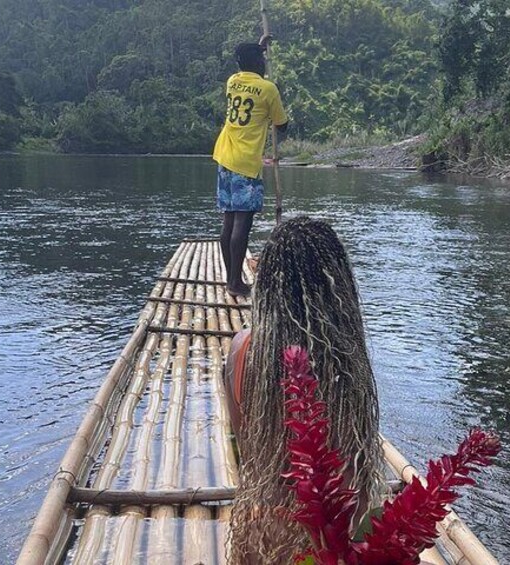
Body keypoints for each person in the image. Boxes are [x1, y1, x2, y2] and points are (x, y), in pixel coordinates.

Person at [223, 216, 385, 563]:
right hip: (339, 539)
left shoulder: (242, 350)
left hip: (267, 536)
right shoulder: (348, 360)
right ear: (338, 286)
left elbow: (245, 451)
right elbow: (354, 468)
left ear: (266, 283)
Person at [213, 36, 289, 298]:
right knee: (241, 224)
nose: (265, 63)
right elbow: (282, 124)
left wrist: (259, 45)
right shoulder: (268, 89)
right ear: (256, 62)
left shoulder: (233, 82)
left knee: (229, 220)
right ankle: (235, 283)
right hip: (246, 161)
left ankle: (230, 278)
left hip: (224, 155)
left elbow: (246, 68)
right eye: (262, 59)